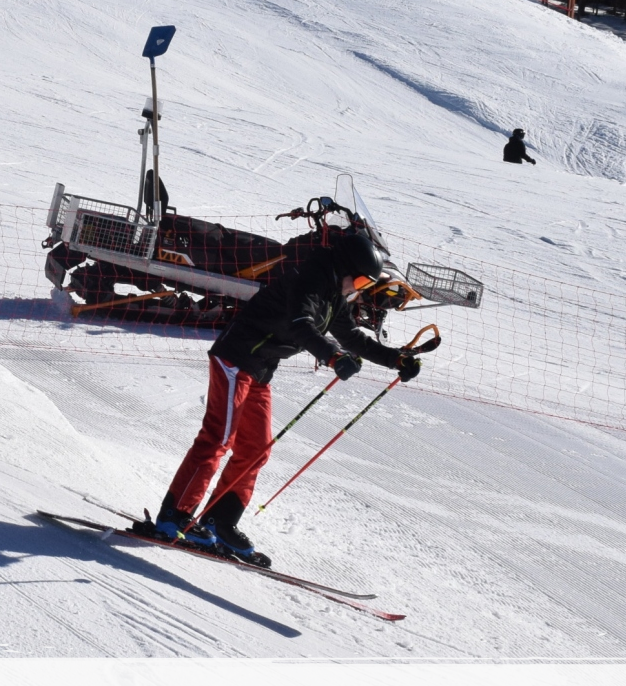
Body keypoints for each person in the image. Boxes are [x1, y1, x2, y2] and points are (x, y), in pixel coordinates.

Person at [138, 232, 422, 567]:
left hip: (259, 369)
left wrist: (395, 359)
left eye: (365, 284)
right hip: (236, 358)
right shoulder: (309, 279)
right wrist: (332, 356)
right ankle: (174, 517)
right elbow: (301, 324)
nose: (358, 288)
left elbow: (351, 337)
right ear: (346, 268)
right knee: (218, 438)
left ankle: (219, 521)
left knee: (256, 449)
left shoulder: (334, 294)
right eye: (360, 280)